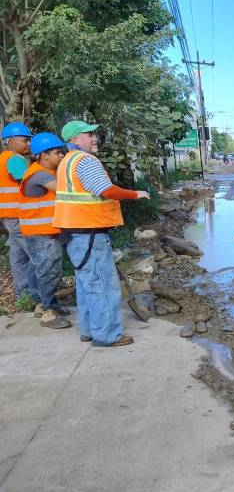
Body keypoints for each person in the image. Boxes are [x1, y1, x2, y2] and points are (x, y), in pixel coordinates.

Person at [53, 121, 150, 346]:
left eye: (93, 134)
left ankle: (89, 330)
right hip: (90, 234)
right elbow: (105, 190)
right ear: (75, 139)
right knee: (103, 287)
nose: (94, 138)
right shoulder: (85, 160)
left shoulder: (66, 161)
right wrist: (134, 194)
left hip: (76, 234)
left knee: (87, 285)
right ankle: (107, 335)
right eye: (88, 134)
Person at [19, 133, 71, 329]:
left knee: (37, 267)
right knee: (48, 270)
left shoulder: (44, 171)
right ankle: (49, 312)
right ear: (43, 155)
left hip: (38, 231)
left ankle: (42, 304)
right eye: (57, 152)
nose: (61, 156)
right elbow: (66, 191)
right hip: (41, 233)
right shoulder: (39, 175)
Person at [0, 122, 35, 303]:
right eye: (25, 140)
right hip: (18, 214)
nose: (28, 144)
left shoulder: (3, 158)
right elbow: (27, 182)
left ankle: (24, 295)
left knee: (18, 256)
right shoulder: (14, 159)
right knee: (35, 253)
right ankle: (38, 295)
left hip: (8, 215)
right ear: (11, 141)